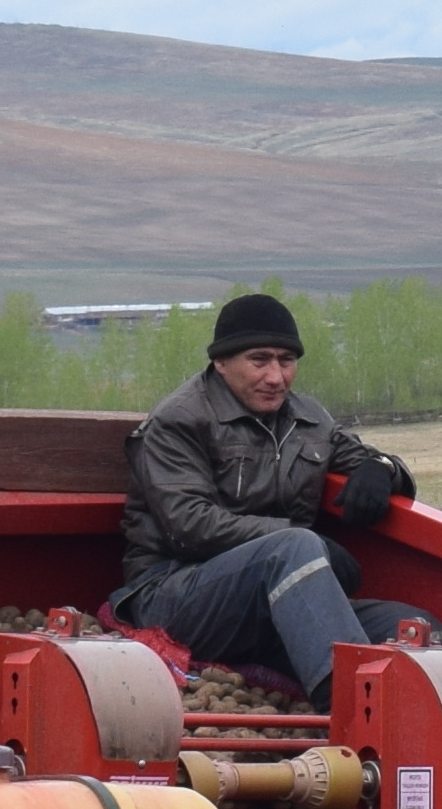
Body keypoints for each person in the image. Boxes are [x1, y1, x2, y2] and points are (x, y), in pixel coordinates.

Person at [117, 292, 412, 694]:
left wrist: (384, 469)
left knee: (411, 627)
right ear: (221, 362)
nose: (276, 377)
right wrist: (306, 542)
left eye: (286, 361)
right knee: (293, 549)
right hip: (174, 596)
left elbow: (365, 458)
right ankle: (351, 704)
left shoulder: (308, 418)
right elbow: (188, 526)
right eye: (259, 360)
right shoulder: (179, 421)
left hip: (278, 600)